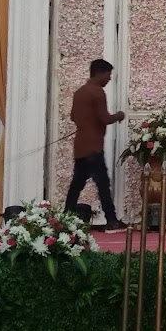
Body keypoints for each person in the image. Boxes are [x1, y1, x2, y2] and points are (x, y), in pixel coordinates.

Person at [67, 58, 127, 230]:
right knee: (103, 185)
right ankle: (112, 220)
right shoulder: (97, 92)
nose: (109, 78)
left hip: (80, 146)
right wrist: (119, 115)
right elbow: (105, 118)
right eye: (108, 74)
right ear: (100, 73)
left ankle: (65, 216)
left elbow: (73, 117)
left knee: (76, 185)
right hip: (94, 147)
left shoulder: (79, 92)